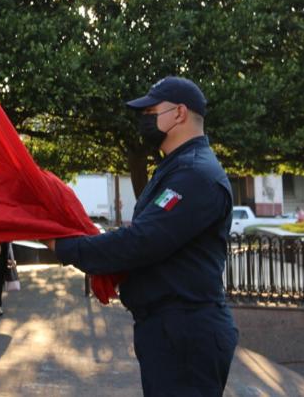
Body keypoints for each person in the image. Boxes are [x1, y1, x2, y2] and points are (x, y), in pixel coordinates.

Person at [47, 76, 238, 396]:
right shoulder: (177, 167)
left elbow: (143, 241)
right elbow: (146, 234)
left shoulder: (194, 173)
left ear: (179, 113)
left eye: (151, 111)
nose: (143, 119)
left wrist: (68, 247)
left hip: (186, 333)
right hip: (171, 330)